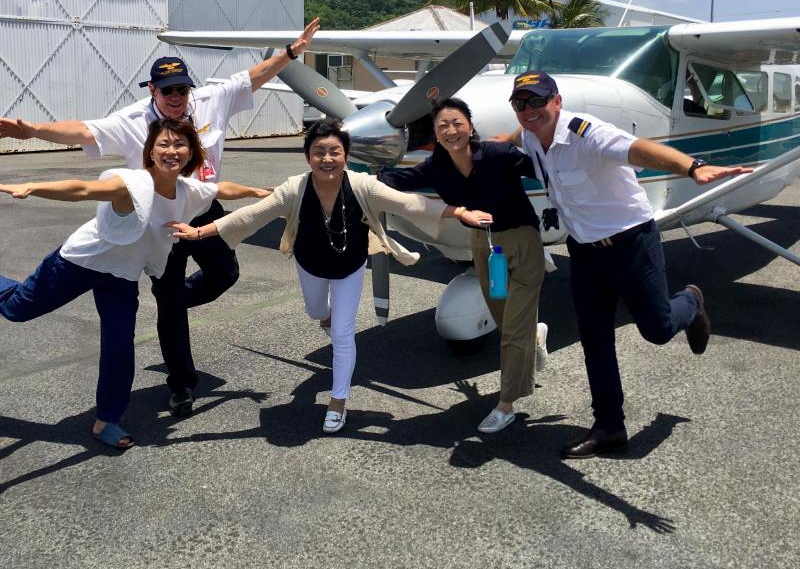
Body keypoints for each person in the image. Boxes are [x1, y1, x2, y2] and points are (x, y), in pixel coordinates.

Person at [0, 18, 319, 416]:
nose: (176, 96)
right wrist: (33, 131)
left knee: (225, 274)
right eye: (167, 90)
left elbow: (252, 77)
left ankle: (176, 302)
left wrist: (291, 52)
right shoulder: (132, 120)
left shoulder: (209, 100)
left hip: (201, 204)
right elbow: (82, 131)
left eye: (182, 88)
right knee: (168, 301)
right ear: (153, 90)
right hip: (157, 221)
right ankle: (182, 382)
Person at [170, 119, 493, 435]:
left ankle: (338, 401)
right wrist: (199, 232)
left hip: (349, 268)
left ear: (346, 155)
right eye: (319, 152)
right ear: (308, 156)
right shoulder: (294, 189)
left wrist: (460, 212)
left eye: (334, 152)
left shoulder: (363, 186)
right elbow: (249, 215)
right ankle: (324, 318)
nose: (327, 159)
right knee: (316, 312)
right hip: (309, 264)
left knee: (343, 334)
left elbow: (411, 203)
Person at [502, 70, 751, 458]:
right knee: (595, 340)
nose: (529, 109)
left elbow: (639, 150)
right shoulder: (531, 133)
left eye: (538, 100)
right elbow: (513, 140)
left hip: (631, 243)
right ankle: (610, 427)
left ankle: (691, 301)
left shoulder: (587, 133)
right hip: (584, 251)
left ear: (557, 101)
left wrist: (692, 166)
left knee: (657, 329)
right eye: (521, 103)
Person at [0, 118, 270, 449]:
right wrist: (32, 187)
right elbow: (82, 189)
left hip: (122, 277)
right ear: (150, 152)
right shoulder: (134, 186)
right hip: (81, 262)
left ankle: (106, 420)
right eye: (164, 145)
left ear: (191, 153)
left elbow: (222, 189)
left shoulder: (188, 191)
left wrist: (258, 193)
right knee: (16, 309)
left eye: (180, 144)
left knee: (119, 346)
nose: (172, 151)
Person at [378, 97, 548, 434]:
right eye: (443, 126)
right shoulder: (436, 167)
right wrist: (365, 164)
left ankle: (506, 404)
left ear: (470, 126)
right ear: (436, 135)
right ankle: (536, 336)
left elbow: (548, 168)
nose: (451, 130)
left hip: (522, 241)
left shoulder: (498, 155)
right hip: (483, 246)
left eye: (457, 123)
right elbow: (393, 180)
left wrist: (517, 136)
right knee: (503, 317)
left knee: (512, 332)